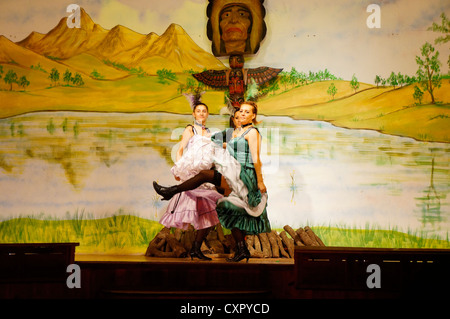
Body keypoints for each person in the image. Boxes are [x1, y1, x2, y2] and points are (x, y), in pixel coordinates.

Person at [153, 101, 270, 262]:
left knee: (206, 176)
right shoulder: (236, 133)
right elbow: (217, 145)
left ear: (253, 115)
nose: (242, 114)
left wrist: (260, 181)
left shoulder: (252, 133)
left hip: (244, 175)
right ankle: (242, 250)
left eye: (246, 112)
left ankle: (171, 191)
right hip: (232, 172)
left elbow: (256, 159)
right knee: (230, 208)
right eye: (240, 111)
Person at [158, 98, 222, 261]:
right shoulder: (190, 129)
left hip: (206, 174)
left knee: (208, 213)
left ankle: (196, 248)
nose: (201, 113)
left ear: (207, 114)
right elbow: (180, 149)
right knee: (193, 208)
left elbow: (213, 153)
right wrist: (178, 168)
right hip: (192, 174)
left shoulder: (211, 133)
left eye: (204, 111)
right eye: (198, 111)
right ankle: (190, 246)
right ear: (193, 114)